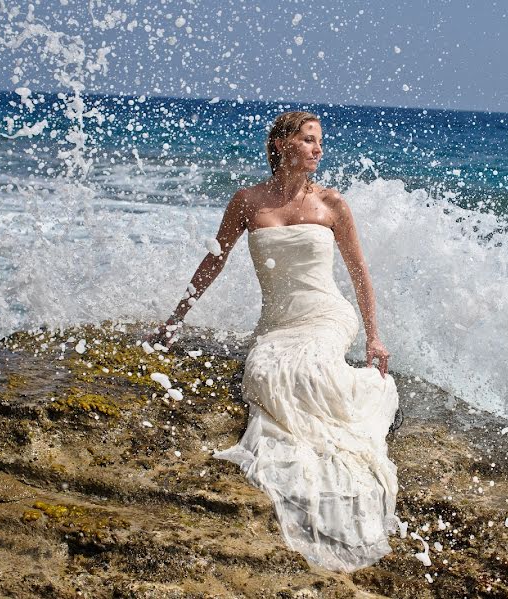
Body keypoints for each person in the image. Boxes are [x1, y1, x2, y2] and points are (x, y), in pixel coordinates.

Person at [148, 111, 399, 572]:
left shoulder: (332, 204)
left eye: (319, 141)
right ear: (282, 144)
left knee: (309, 371)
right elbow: (213, 261)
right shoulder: (247, 201)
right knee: (264, 373)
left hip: (326, 316)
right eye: (308, 140)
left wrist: (374, 338)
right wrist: (174, 319)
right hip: (277, 324)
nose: (317, 149)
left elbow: (359, 274)